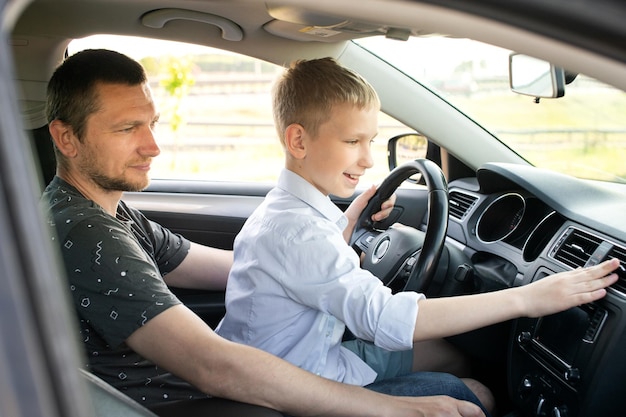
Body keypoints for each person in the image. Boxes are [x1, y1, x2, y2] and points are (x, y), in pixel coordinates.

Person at [41, 48, 489, 417]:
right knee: (469, 394)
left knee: (444, 353)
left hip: (212, 390)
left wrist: (338, 229)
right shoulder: (84, 234)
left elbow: (250, 266)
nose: (153, 146)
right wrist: (394, 410)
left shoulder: (109, 215)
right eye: (127, 129)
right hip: (195, 404)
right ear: (66, 138)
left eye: (152, 124)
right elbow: (213, 366)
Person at [215, 57, 620, 415]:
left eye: (370, 141)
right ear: (298, 140)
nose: (369, 158)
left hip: (309, 355)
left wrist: (351, 223)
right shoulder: (301, 232)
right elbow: (386, 319)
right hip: (302, 386)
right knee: (478, 394)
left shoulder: (286, 212)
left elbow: (316, 270)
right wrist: (526, 298)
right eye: (352, 141)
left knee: (447, 353)